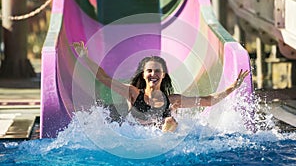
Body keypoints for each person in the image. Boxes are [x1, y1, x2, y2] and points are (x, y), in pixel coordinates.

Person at [72, 41, 250, 132]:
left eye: (157, 71)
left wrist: (233, 87)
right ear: (143, 74)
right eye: (149, 71)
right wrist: (85, 57)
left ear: (163, 75)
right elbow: (104, 78)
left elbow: (208, 101)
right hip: (134, 136)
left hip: (160, 140)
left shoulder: (173, 100)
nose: (153, 74)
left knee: (170, 121)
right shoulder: (132, 93)